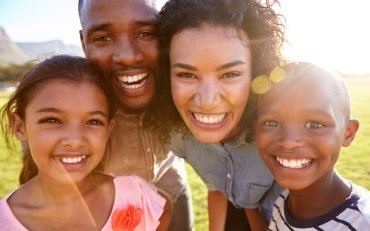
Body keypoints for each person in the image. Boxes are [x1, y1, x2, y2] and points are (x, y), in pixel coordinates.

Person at [158, 0, 285, 230]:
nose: (207, 102)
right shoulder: (181, 137)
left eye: (230, 74)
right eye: (186, 75)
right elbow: (217, 184)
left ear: (256, 74)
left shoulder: (283, 134)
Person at [0, 55, 166, 230]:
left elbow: (164, 213)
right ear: (19, 127)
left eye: (94, 121)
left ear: (108, 130)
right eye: (52, 120)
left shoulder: (136, 196)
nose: (75, 141)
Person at [78, 0, 193, 230]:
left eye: (145, 33)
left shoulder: (182, 84)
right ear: (83, 43)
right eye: (103, 38)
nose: (128, 56)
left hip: (173, 191)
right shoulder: (72, 105)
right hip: (112, 212)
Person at [255, 62, 370, 230]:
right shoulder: (282, 203)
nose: (288, 141)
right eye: (271, 122)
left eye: (315, 124)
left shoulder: (362, 224)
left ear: (348, 133)